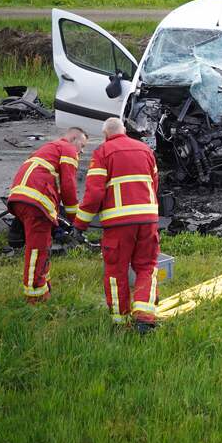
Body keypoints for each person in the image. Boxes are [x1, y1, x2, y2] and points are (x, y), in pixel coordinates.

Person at [74, 118, 160, 334]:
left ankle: (120, 321)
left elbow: (94, 193)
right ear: (125, 131)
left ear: (105, 135)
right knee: (147, 267)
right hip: (148, 219)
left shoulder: (103, 152)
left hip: (119, 224)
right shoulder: (145, 149)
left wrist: (80, 224)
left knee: (116, 270)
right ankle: (145, 316)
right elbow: (155, 183)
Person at [7, 127, 88, 303]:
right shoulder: (67, 149)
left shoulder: (47, 149)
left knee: (43, 245)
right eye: (82, 145)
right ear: (73, 138)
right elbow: (69, 186)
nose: (82, 151)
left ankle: (43, 284)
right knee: (38, 248)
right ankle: (35, 296)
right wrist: (75, 219)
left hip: (22, 198)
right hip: (36, 201)